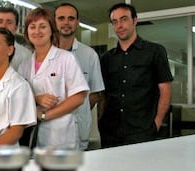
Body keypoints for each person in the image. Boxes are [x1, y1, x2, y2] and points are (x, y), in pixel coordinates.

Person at [99, 3, 173, 148]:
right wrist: (100, 121)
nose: (119, 25)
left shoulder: (154, 51)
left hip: (142, 132)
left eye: (124, 19)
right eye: (115, 22)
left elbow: (166, 90)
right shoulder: (107, 58)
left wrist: (156, 123)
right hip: (110, 132)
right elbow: (103, 95)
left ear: (135, 20)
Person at [18, 8, 89, 149]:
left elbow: (79, 96)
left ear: (52, 30)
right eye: (32, 27)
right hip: (33, 135)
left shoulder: (66, 58)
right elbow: (19, 97)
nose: (37, 31)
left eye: (43, 26)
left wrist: (46, 115)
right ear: (27, 32)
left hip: (61, 134)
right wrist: (37, 99)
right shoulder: (24, 65)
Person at [54, 3, 105, 150]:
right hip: (49, 133)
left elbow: (95, 94)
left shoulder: (89, 55)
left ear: (77, 22)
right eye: (61, 18)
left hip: (78, 133)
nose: (66, 22)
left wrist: (78, 111)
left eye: (71, 18)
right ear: (54, 21)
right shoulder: (43, 55)